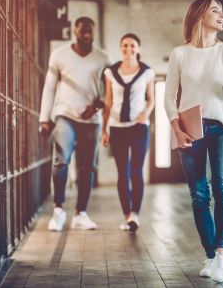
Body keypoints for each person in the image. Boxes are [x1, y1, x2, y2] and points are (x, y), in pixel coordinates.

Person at [164, 0, 223, 283]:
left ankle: (222, 253)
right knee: (199, 195)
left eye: (222, 12)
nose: (222, 15)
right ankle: (210, 255)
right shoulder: (180, 54)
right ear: (200, 15)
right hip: (190, 129)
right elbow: (169, 97)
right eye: (215, 10)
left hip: (222, 126)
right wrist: (177, 129)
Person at [39, 16, 113, 232]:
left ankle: (81, 213)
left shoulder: (103, 57)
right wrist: (45, 118)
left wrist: (97, 107)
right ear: (75, 31)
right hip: (65, 115)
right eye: (83, 31)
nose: (87, 35)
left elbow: (109, 92)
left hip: (92, 119)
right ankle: (59, 211)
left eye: (90, 31)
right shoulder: (59, 55)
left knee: (88, 168)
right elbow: (50, 87)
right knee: (61, 161)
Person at [101, 33, 155, 232]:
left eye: (132, 45)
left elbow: (151, 99)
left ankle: (135, 214)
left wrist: (145, 114)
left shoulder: (147, 72)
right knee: (122, 172)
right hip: (117, 127)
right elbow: (107, 102)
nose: (128, 49)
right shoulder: (111, 72)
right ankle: (127, 214)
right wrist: (104, 130)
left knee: (136, 170)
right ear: (120, 48)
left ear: (138, 48)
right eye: (125, 45)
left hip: (139, 127)